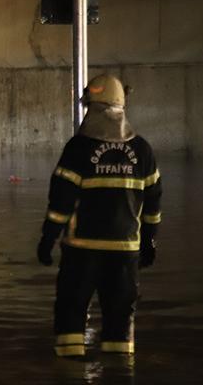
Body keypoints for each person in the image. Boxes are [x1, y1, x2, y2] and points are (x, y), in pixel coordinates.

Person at [37, 74, 162, 357]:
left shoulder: (78, 148)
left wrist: (47, 240)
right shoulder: (142, 150)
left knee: (71, 313)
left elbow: (61, 202)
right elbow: (153, 204)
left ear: (93, 108)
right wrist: (149, 243)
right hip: (125, 254)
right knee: (120, 323)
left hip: (83, 251)